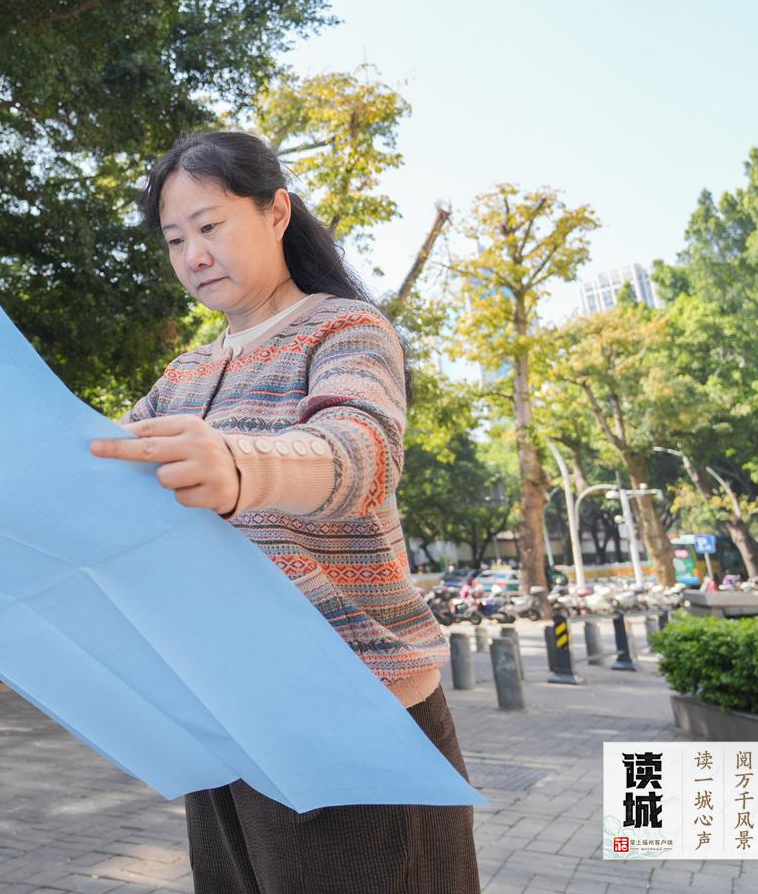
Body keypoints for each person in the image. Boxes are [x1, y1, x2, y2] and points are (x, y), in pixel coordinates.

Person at [87, 130, 478, 894]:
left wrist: (235, 467)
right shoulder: (184, 375)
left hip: (354, 715)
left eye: (210, 226)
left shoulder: (344, 330)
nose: (194, 254)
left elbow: (360, 455)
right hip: (228, 718)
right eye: (175, 240)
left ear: (276, 213)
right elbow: (109, 483)